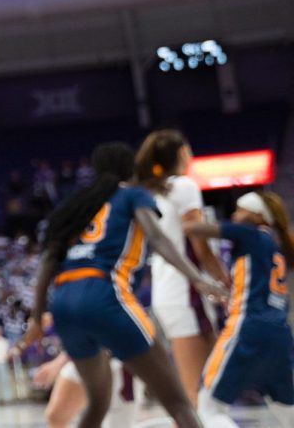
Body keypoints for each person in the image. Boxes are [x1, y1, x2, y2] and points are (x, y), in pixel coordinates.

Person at [23, 141, 226, 428]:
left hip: (64, 303)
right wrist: (196, 277)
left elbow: (47, 262)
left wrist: (35, 317)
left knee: (97, 404)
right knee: (178, 402)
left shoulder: (74, 205)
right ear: (129, 169)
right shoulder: (133, 195)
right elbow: (157, 238)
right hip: (106, 294)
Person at [186, 191, 294, 427]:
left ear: (255, 215)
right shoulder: (276, 244)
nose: (234, 215)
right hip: (280, 334)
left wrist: (187, 217)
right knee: (288, 411)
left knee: (208, 405)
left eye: (239, 210)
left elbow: (194, 229)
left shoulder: (250, 233)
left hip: (248, 326)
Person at [137, 130, 228, 406]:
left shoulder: (154, 192)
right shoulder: (183, 186)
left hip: (169, 292)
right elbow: (198, 244)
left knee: (203, 386)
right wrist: (225, 279)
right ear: (181, 153)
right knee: (196, 392)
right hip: (186, 293)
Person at [34, 350, 138, 428]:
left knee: (117, 424)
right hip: (84, 356)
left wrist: (58, 363)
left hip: (120, 358)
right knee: (56, 416)